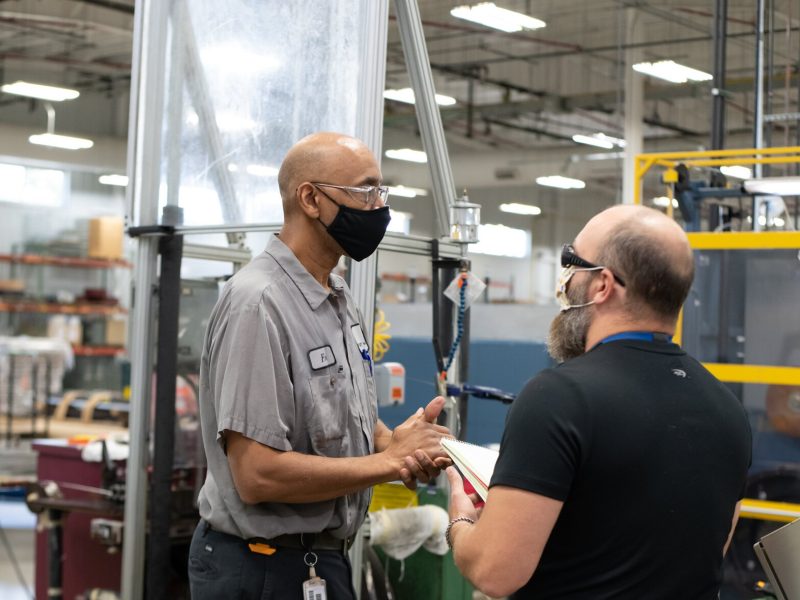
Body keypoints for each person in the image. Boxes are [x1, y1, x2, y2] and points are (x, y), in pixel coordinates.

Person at [189, 132, 451, 599]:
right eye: (365, 191)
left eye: (381, 192)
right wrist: (385, 463)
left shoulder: (337, 295)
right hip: (261, 568)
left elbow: (345, 422)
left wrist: (404, 445)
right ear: (310, 198)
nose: (378, 208)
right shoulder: (258, 302)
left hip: (319, 560)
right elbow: (256, 475)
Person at [445, 204, 752, 599]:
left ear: (603, 284)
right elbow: (701, 549)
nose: (566, 280)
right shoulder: (728, 410)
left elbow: (494, 572)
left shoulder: (557, 398)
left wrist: (462, 522)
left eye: (573, 263)